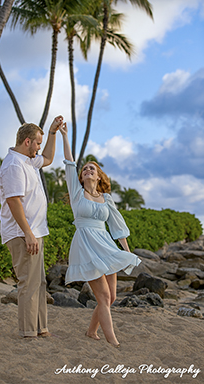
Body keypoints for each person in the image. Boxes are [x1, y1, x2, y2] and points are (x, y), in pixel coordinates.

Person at [59, 122, 141, 347]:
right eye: (84, 169)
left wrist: (125, 252)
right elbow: (69, 162)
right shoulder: (77, 194)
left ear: (98, 176)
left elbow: (117, 226)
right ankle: (113, 341)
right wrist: (65, 135)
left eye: (91, 169)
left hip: (105, 246)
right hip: (86, 245)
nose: (87, 170)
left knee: (111, 298)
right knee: (103, 297)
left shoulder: (106, 199)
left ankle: (91, 331)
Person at [0, 116, 63, 338]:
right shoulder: (14, 164)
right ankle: (28, 331)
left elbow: (47, 158)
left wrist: (52, 133)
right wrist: (27, 233)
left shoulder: (28, 160)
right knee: (28, 283)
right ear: (27, 141)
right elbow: (13, 201)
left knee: (39, 282)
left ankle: (40, 328)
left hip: (35, 232)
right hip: (22, 233)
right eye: (37, 142)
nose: (38, 147)